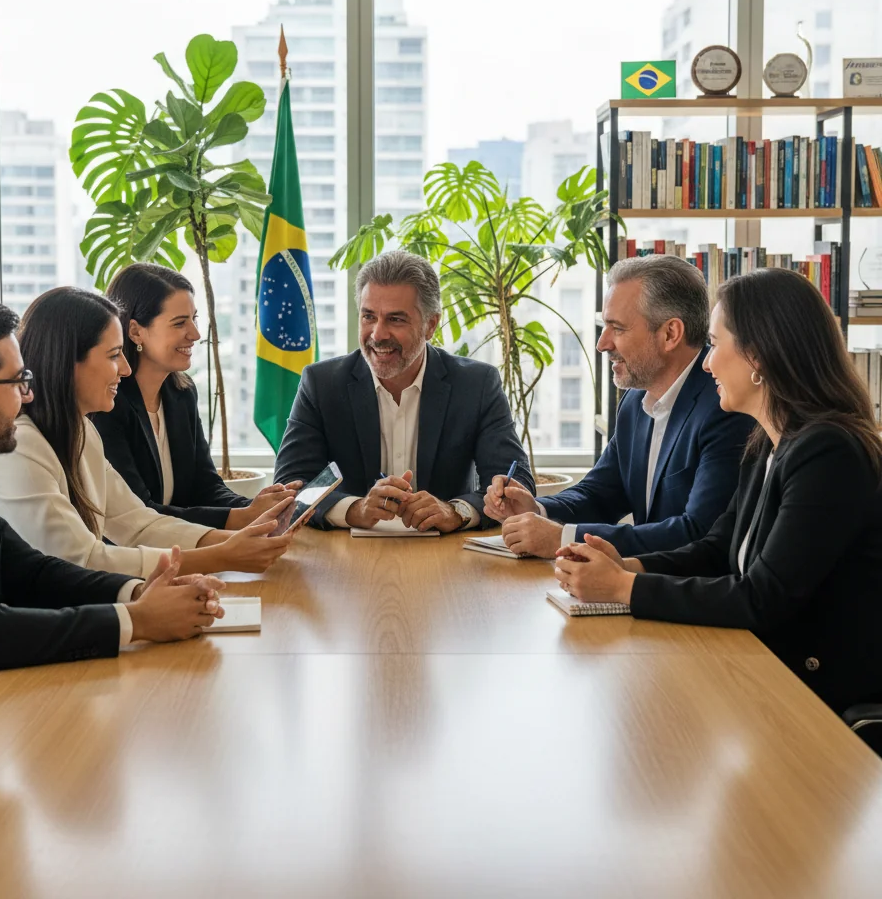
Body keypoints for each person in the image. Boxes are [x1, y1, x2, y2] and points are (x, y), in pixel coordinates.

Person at [0, 296, 226, 765]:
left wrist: (138, 593)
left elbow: (30, 572)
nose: (29, 395)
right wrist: (137, 621)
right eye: (17, 382)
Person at [553, 268, 882, 715]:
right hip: (758, 668)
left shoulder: (827, 453)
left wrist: (624, 587)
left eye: (715, 343)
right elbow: (715, 548)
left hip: (814, 696)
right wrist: (626, 564)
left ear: (759, 355)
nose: (706, 361)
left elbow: (761, 598)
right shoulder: (767, 442)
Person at [0, 287, 294, 578]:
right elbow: (82, 560)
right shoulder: (19, 448)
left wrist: (237, 541)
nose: (125, 368)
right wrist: (223, 555)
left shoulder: (82, 433)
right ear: (68, 363)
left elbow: (138, 524)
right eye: (113, 355)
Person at [484, 254, 753, 558]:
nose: (602, 344)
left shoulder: (725, 407)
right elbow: (601, 493)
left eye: (618, 328)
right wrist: (538, 508)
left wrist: (563, 538)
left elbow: (698, 533)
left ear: (670, 334)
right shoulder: (636, 401)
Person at [274, 251, 533, 532]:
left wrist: (455, 511)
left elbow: (514, 484)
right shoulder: (321, 383)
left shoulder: (476, 384)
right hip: (343, 554)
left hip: (450, 557)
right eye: (369, 317)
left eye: (395, 320)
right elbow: (291, 485)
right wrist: (353, 509)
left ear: (430, 325)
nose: (377, 334)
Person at [94, 263, 300, 528]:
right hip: (134, 560)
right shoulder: (107, 404)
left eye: (194, 319)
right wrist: (242, 517)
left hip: (180, 552)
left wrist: (256, 506)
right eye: (180, 323)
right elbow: (139, 514)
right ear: (135, 331)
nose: (195, 334)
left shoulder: (181, 392)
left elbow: (206, 487)